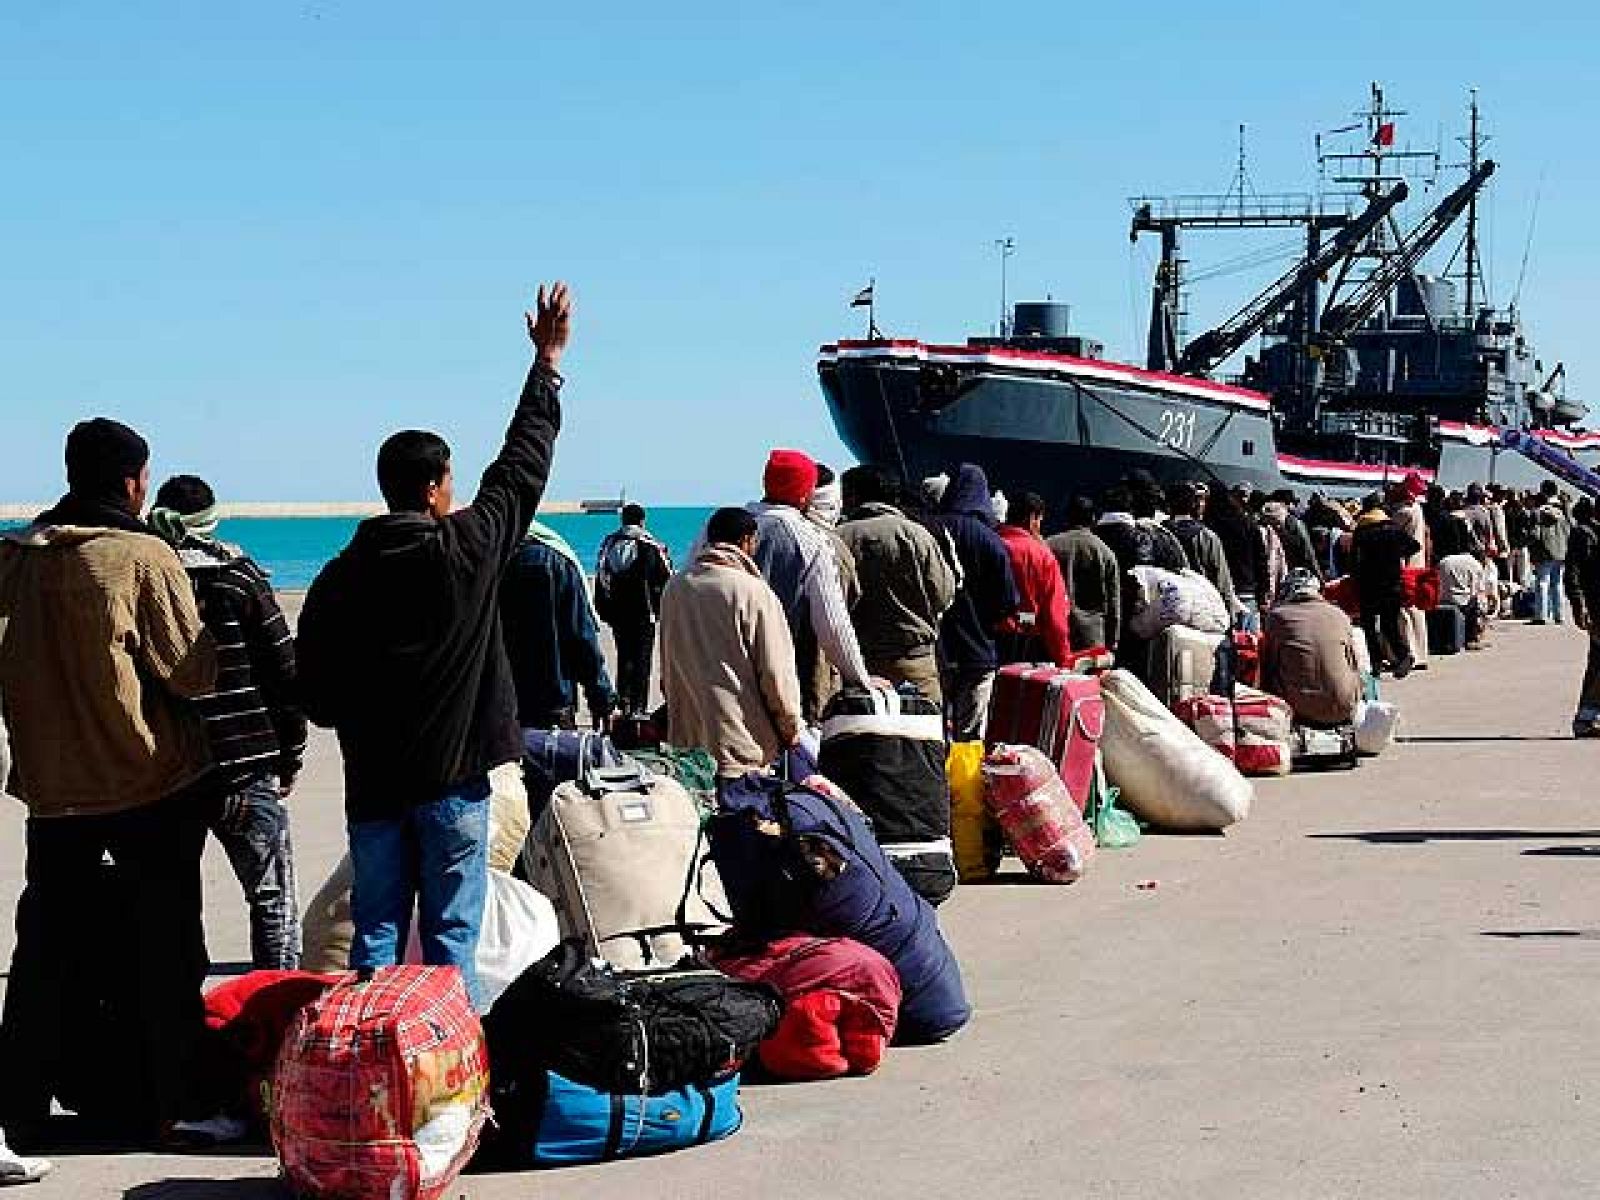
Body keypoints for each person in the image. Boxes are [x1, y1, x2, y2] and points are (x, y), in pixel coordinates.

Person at [296, 282, 571, 1008]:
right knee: (453, 943)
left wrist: (366, 711)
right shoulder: (466, 549)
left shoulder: (336, 579)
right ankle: (456, 1087)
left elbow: (315, 695)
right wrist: (545, 364)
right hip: (453, 784)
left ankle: (375, 1073)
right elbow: (522, 467)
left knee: (377, 938)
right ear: (434, 490)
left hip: (376, 789)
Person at [0, 418, 219, 1148]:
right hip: (144, 784)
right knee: (168, 952)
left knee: (41, 954)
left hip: (53, 791)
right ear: (132, 483)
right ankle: (178, 1101)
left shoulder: (25, 556)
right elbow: (192, 669)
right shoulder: (140, 556)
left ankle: (19, 1111)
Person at [149, 475, 306, 972]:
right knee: (272, 898)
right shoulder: (239, 576)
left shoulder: (148, 577)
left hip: (169, 768)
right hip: (245, 761)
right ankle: (276, 1011)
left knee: (171, 903)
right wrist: (291, 752)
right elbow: (285, 671)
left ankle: (181, 1019)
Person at [659, 507, 804, 776]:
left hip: (686, 748)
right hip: (740, 747)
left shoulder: (675, 587)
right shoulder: (753, 592)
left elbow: (667, 667)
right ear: (747, 541)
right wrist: (791, 730)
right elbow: (776, 674)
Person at [745, 449, 870, 717]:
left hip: (716, 671)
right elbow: (833, 625)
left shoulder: (719, 526)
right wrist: (860, 679)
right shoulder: (808, 538)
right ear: (805, 495)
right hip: (779, 669)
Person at [836, 465, 956, 703]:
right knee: (924, 735)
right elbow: (944, 595)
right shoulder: (918, 535)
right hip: (914, 664)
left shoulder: (838, 537)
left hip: (856, 666)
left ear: (852, 496)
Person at [927, 463, 1020, 739]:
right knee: (971, 733)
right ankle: (965, 779)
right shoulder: (990, 540)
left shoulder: (928, 529)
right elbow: (1008, 600)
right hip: (978, 648)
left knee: (934, 725)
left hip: (935, 647)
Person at [502, 519, 616, 730]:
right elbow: (580, 638)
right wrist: (601, 698)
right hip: (552, 702)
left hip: (497, 706)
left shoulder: (484, 558)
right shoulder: (554, 559)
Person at [594, 503, 673, 718]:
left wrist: (603, 608)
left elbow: (601, 577)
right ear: (642, 520)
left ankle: (624, 701)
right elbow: (666, 576)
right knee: (642, 659)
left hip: (617, 612)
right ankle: (638, 706)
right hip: (644, 612)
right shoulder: (651, 544)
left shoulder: (609, 544)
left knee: (623, 656)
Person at [1262, 569, 1363, 727]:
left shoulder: (1277, 617)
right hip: (1345, 705)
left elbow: (1269, 664)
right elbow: (1353, 662)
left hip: (1300, 708)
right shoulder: (1339, 615)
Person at [800, 463, 862, 719]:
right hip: (820, 664)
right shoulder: (830, 545)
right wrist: (860, 678)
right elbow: (845, 608)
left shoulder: (764, 531)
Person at [995, 492, 1073, 666]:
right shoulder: (1041, 555)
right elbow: (1055, 615)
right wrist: (1063, 658)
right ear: (1032, 518)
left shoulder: (989, 544)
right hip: (1027, 645)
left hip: (985, 643)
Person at [1350, 493, 1420, 678]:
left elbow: (1353, 561)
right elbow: (1415, 546)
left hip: (1368, 585)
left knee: (1369, 627)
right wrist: (1396, 554)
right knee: (1390, 625)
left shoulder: (1361, 531)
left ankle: (1375, 662)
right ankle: (1404, 656)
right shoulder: (1393, 529)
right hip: (1391, 584)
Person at [1047, 495, 1122, 653]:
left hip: (1055, 634)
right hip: (1092, 638)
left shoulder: (1049, 546)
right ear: (1094, 519)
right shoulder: (1105, 552)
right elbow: (1113, 602)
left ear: (1067, 517)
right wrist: (1112, 641)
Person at [1168, 482, 1242, 615]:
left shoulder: (1159, 532)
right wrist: (1230, 615)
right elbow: (1222, 582)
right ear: (1193, 504)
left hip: (1168, 606)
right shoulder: (1207, 536)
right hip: (1202, 608)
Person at [1205, 484, 1270, 630]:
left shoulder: (1209, 526)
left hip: (1216, 593)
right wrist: (1263, 594)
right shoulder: (1248, 523)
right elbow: (1261, 561)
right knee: (1248, 644)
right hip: (1247, 591)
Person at [1570, 501, 1600, 738]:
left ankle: (1588, 717)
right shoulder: (1584, 534)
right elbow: (1574, 572)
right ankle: (1586, 717)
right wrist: (1579, 605)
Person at [1530, 481, 1572, 625]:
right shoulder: (1564, 511)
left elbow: (1535, 534)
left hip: (1543, 552)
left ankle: (1541, 615)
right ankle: (1559, 615)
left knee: (1542, 582)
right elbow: (1569, 529)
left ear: (1543, 492)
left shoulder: (1538, 512)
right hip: (1561, 551)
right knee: (1557, 583)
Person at [1437, 541, 1490, 651]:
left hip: (1441, 599)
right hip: (1460, 602)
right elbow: (1478, 591)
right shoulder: (1476, 565)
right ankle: (1471, 639)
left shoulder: (1445, 560)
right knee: (1476, 601)